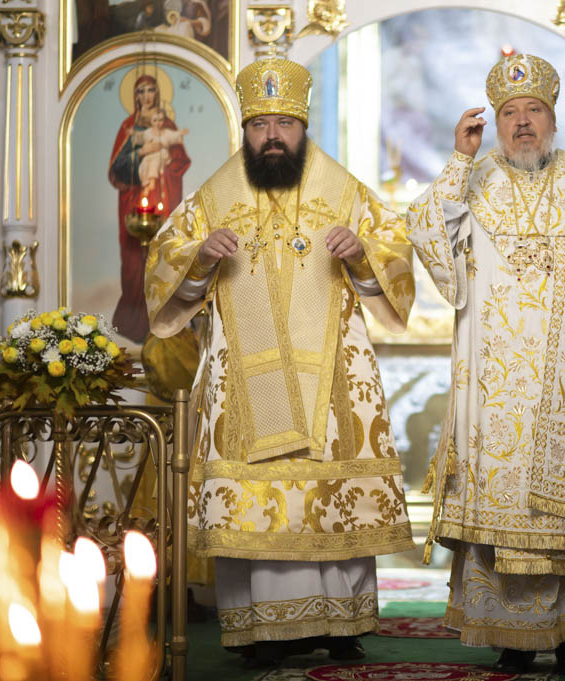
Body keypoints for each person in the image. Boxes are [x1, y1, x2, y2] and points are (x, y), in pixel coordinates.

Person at [144, 55, 416, 666]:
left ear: (302, 127)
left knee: (330, 491)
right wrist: (199, 258)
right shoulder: (215, 196)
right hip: (244, 377)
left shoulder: (343, 190)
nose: (272, 135)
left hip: (333, 375)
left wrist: (362, 253)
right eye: (260, 124)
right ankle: (262, 629)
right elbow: (163, 267)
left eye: (284, 124)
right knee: (259, 498)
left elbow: (395, 254)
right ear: (245, 130)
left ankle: (341, 624)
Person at [406, 54, 565, 678]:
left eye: (535, 111)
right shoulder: (474, 179)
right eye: (510, 113)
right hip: (494, 384)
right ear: (494, 124)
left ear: (553, 118)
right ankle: (512, 638)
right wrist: (459, 158)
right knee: (504, 500)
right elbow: (426, 231)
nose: (522, 123)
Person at [109, 73, 190, 343]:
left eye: (151, 90)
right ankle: (134, 325)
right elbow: (117, 169)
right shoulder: (128, 127)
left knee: (166, 260)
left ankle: (167, 330)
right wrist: (142, 153)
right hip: (134, 204)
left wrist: (166, 159)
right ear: (135, 96)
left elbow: (180, 160)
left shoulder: (168, 125)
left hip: (164, 203)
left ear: (158, 93)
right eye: (141, 91)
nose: (146, 96)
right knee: (134, 265)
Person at [137, 108, 188, 199]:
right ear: (151, 121)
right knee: (144, 163)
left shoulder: (166, 133)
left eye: (160, 120)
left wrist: (181, 133)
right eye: (155, 120)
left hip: (162, 155)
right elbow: (140, 137)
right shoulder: (148, 133)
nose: (158, 123)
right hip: (151, 155)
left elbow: (174, 135)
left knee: (155, 161)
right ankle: (145, 183)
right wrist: (133, 134)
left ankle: (152, 182)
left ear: (164, 121)